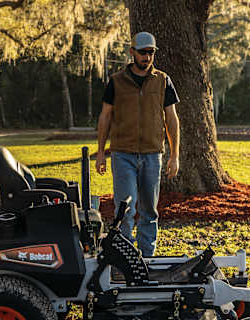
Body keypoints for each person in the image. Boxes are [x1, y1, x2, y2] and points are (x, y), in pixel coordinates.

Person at [95, 31, 180, 257]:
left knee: (149, 210)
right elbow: (105, 116)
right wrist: (101, 152)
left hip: (153, 155)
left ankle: (147, 258)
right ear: (132, 52)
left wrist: (174, 155)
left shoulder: (163, 80)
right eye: (143, 52)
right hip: (123, 154)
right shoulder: (116, 81)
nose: (147, 57)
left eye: (151, 53)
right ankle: (126, 257)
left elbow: (171, 118)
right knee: (125, 209)